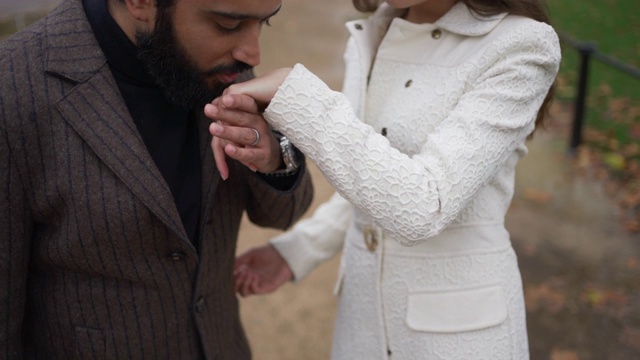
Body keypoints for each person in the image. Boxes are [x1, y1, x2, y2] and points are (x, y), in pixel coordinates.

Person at [206, 0, 561, 358]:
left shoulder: (521, 44)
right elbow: (372, 181)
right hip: (361, 326)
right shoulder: (377, 29)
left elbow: (426, 205)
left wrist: (299, 99)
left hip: (458, 338)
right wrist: (298, 251)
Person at [0, 0, 314, 358]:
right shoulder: (13, 86)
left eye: (265, 24)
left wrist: (274, 156)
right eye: (228, 25)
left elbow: (282, 214)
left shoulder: (227, 66)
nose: (253, 54)